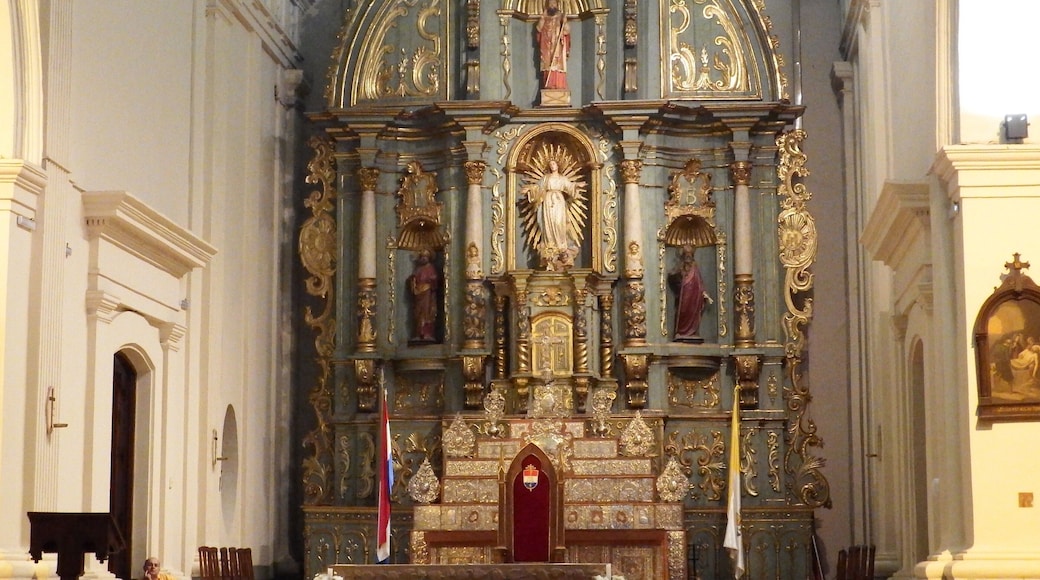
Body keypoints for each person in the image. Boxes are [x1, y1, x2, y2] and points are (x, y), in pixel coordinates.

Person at [526, 159, 578, 269]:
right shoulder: (545, 178)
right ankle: (550, 249)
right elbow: (537, 188)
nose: (552, 166)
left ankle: (561, 248)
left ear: (558, 165)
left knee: (559, 223)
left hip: (559, 202)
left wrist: (576, 186)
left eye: (554, 164)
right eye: (550, 165)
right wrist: (529, 190)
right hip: (548, 202)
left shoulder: (562, 178)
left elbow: (570, 187)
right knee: (548, 225)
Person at [669, 244, 713, 342]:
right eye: (686, 255)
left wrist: (704, 293)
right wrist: (678, 274)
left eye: (690, 256)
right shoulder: (680, 266)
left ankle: (692, 332)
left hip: (695, 295)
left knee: (694, 312)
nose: (688, 258)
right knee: (683, 310)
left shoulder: (695, 267)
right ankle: (681, 331)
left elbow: (699, 281)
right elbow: (672, 275)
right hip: (684, 293)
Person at [536, 0, 570, 90]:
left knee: (558, 65)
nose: (552, 5)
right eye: (550, 3)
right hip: (546, 46)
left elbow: (567, 31)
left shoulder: (561, 17)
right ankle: (548, 86)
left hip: (558, 45)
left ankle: (559, 86)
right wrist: (542, 18)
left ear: (557, 4)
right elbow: (539, 29)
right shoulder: (544, 17)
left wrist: (565, 22)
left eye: (554, 3)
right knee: (547, 65)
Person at [409, 249, 439, 343]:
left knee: (427, 313)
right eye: (422, 257)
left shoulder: (431, 268)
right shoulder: (418, 269)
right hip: (418, 294)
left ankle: (427, 333)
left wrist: (432, 280)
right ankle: (418, 333)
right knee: (418, 313)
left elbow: (435, 281)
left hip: (427, 294)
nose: (424, 259)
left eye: (425, 257)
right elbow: (413, 280)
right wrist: (413, 283)